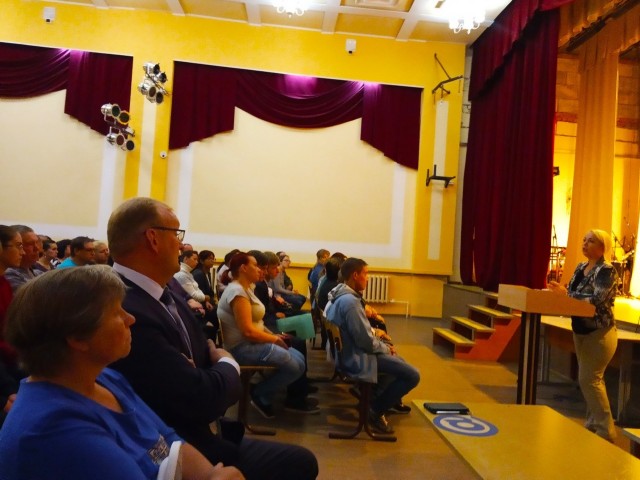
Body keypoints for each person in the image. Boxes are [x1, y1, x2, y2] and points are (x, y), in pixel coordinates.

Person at [107, 197, 318, 480]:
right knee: (299, 463)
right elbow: (202, 397)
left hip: (205, 430)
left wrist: (207, 371)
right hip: (180, 446)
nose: (182, 244)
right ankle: (262, 394)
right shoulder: (123, 308)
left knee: (301, 459)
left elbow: (204, 351)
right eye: (177, 234)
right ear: (153, 239)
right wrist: (227, 364)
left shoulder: (164, 291)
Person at [0, 266, 243, 480]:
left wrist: (209, 474)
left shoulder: (105, 378)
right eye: (117, 313)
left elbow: (168, 441)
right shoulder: (55, 430)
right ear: (77, 337)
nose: (131, 319)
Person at [325, 257, 420, 434]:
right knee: (412, 375)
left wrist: (379, 340)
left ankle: (373, 399)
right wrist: (386, 348)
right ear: (355, 275)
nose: (368, 279)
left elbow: (359, 333)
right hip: (355, 358)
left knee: (399, 362)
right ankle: (375, 410)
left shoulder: (339, 293)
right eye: (366, 274)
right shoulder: (350, 302)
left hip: (346, 353)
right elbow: (366, 342)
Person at [217, 252, 314, 418]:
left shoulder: (247, 288)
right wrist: (274, 339)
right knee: (294, 366)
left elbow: (258, 322)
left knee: (299, 360)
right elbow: (248, 331)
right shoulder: (237, 292)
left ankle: (262, 391)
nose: (259, 269)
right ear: (243, 268)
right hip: (242, 348)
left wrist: (274, 335)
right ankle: (260, 393)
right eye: (255, 265)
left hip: (252, 343)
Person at [549, 229, 619, 442]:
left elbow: (596, 299)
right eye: (584, 240)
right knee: (591, 380)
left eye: (591, 241)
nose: (585, 244)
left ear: (602, 247)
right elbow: (571, 293)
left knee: (589, 379)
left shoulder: (607, 271)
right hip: (580, 330)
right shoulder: (581, 267)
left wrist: (566, 294)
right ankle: (593, 423)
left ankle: (606, 430)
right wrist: (559, 292)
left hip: (599, 333)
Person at [4, 225, 42, 292]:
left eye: (37, 242)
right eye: (29, 244)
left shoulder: (35, 272)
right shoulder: (8, 274)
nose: (37, 248)